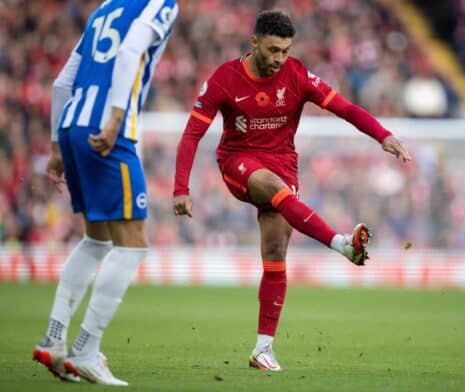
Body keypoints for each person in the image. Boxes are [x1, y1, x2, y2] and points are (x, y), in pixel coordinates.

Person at [172, 10, 411, 372]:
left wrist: (383, 135)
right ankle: (343, 245)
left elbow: (344, 108)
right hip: (239, 162)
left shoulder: (297, 74)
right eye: (272, 50)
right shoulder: (224, 79)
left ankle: (263, 349)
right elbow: (192, 133)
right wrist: (180, 187)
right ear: (254, 43)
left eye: (285, 50)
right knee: (272, 186)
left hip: (284, 163)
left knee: (274, 251)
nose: (279, 59)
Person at [33, 0, 178, 385]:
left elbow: (62, 82)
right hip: (109, 131)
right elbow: (131, 50)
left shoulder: (105, 9)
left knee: (96, 241)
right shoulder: (161, 5)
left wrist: (54, 146)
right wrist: (115, 117)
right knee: (132, 244)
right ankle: (86, 349)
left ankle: (54, 338)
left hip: (71, 125)